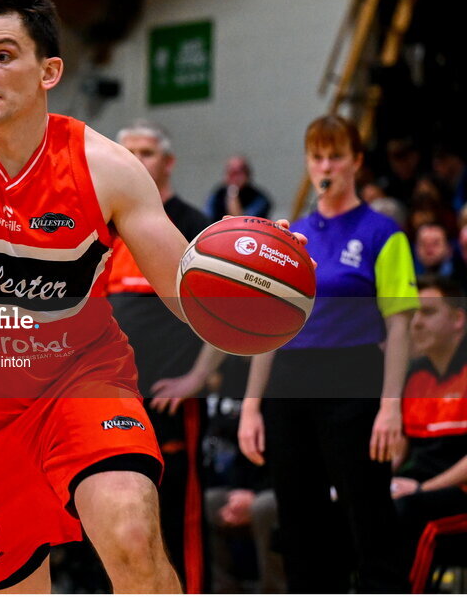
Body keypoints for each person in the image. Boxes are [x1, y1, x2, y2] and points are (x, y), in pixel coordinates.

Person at [0, 0, 303, 592]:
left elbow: (188, 293)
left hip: (81, 381)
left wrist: (256, 280)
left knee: (131, 535)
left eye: (1, 55)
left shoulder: (106, 167)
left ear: (49, 71)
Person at [238, 114, 419, 593]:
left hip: (355, 378)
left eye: (336, 155)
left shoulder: (384, 233)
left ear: (356, 162)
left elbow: (400, 329)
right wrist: (252, 407)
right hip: (290, 385)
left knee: (369, 517)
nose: (326, 165)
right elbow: (267, 328)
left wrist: (390, 407)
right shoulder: (290, 236)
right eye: (317, 156)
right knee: (298, 522)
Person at [105, 119, 214, 591]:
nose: (135, 161)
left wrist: (195, 378)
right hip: (111, 403)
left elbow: (226, 315)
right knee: (117, 521)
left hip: (170, 402)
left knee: (177, 520)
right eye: (126, 152)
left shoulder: (191, 224)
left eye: (146, 152)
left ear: (168, 162)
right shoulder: (100, 227)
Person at [392, 275, 467, 551]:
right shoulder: (414, 375)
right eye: (413, 313)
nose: (416, 323)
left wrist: (424, 489)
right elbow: (398, 450)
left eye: (428, 312)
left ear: (458, 320)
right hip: (420, 486)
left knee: (404, 511)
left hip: (456, 492)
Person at [204, 154, 273, 220]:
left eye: (238, 172)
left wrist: (233, 194)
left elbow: (245, 223)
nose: (234, 177)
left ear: (247, 174)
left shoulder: (259, 199)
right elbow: (208, 219)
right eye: (231, 172)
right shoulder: (217, 195)